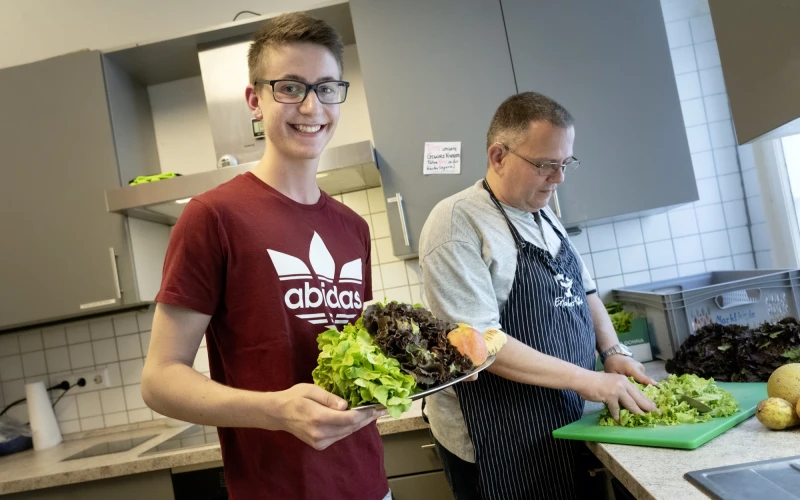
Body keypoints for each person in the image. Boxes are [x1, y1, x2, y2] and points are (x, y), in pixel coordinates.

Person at [140, 13, 390, 500]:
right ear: (255, 100)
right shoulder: (213, 217)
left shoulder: (353, 229)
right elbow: (160, 379)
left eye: (325, 87)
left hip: (369, 485)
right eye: (290, 87)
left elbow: (352, 359)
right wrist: (276, 410)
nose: (312, 106)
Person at [419, 91, 659, 500]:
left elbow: (585, 293)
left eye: (565, 164)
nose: (559, 178)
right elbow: (478, 345)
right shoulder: (457, 222)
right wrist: (588, 381)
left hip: (563, 420)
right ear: (498, 156)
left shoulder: (544, 213)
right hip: (499, 438)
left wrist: (613, 350)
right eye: (546, 165)